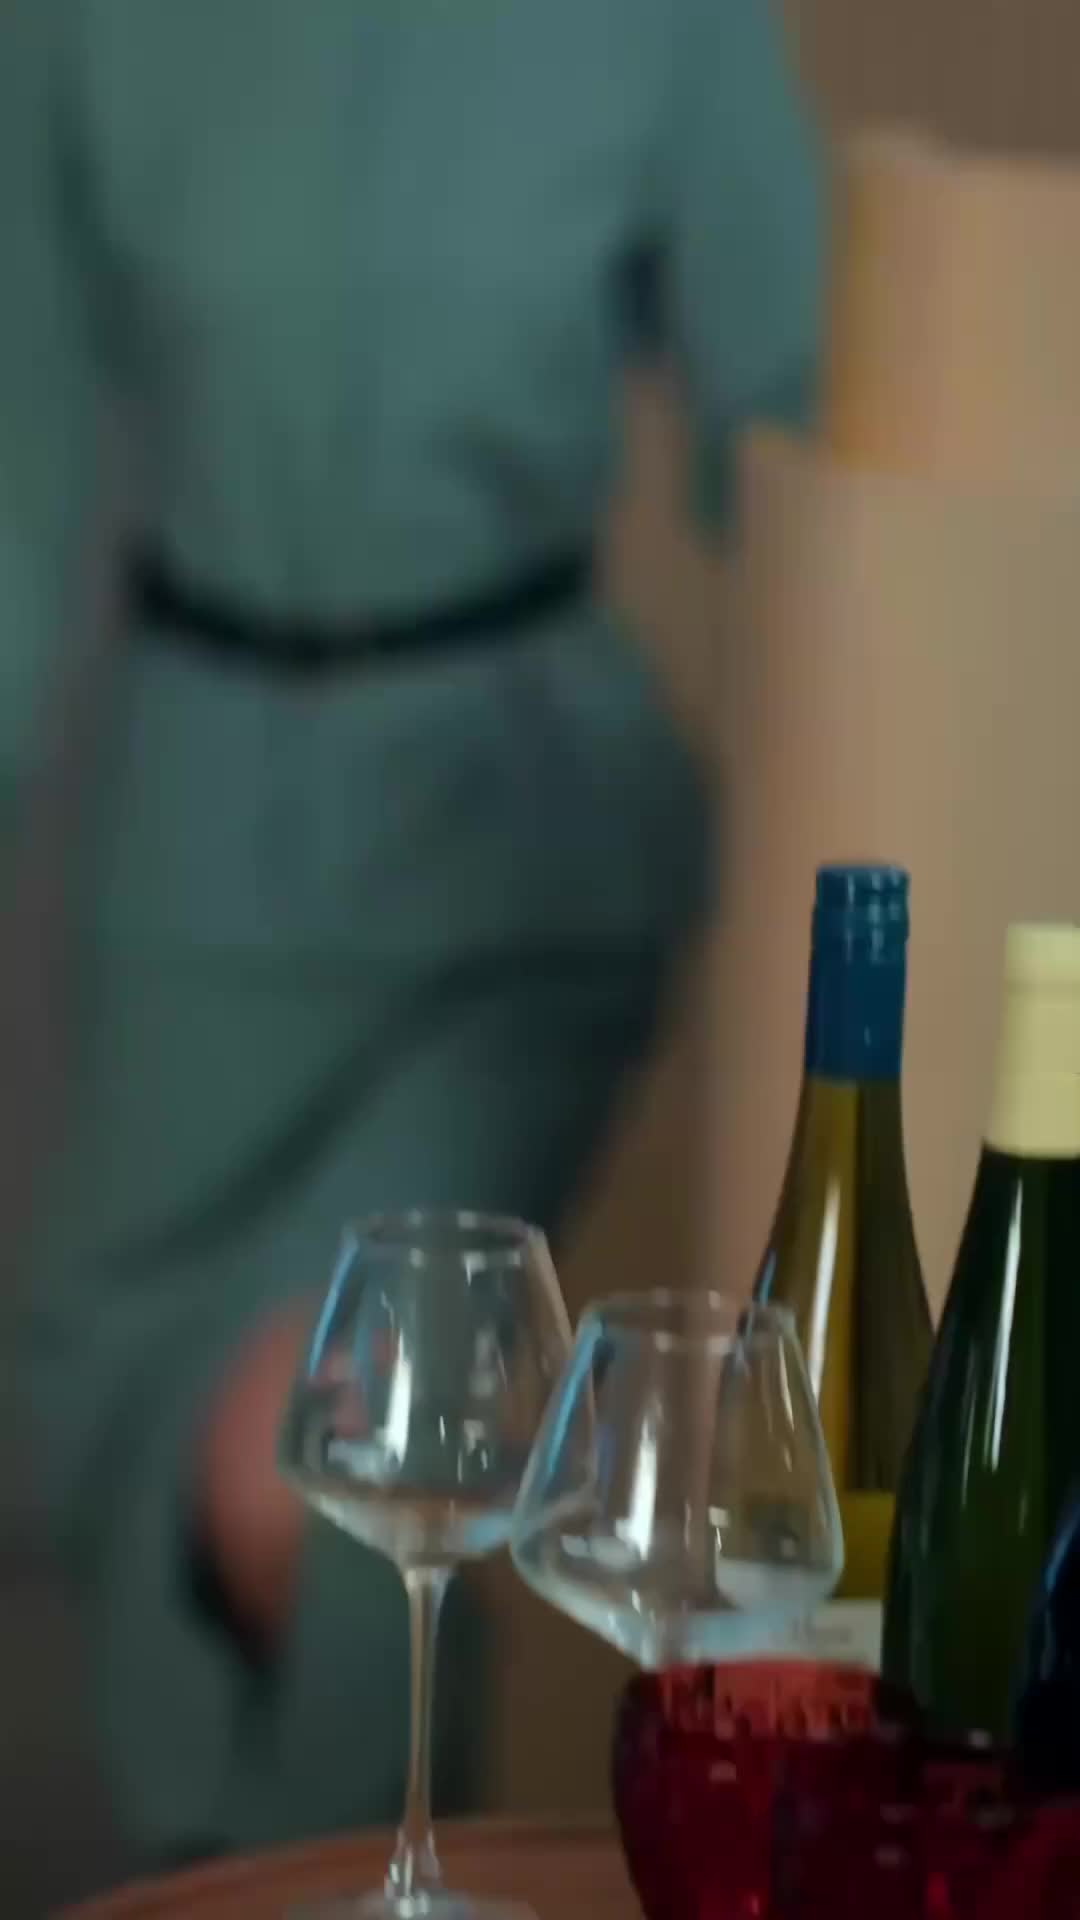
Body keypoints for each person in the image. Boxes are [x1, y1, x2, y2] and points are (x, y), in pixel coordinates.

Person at [2, 0, 823, 1875]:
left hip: (511, 864)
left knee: (328, 1451)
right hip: (187, 867)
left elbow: (804, 429)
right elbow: (9, 498)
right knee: (149, 1460)